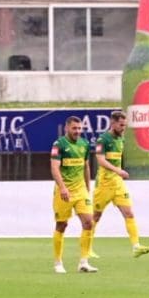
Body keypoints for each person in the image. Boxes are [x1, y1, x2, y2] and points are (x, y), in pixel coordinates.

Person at [89, 110, 149, 259]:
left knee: (129, 213)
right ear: (113, 123)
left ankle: (136, 246)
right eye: (121, 125)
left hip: (118, 183)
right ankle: (87, 248)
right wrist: (118, 170)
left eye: (125, 125)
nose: (123, 128)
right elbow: (101, 160)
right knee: (95, 217)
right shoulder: (103, 139)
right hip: (104, 184)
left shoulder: (121, 139)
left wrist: (118, 173)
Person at [50, 116, 97, 274]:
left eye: (79, 128)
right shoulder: (59, 145)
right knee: (62, 225)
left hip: (81, 191)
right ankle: (58, 262)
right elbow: (55, 168)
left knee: (89, 222)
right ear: (67, 128)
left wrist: (88, 187)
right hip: (64, 192)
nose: (77, 131)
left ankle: (83, 262)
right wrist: (62, 187)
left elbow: (86, 166)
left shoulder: (84, 144)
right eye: (74, 128)